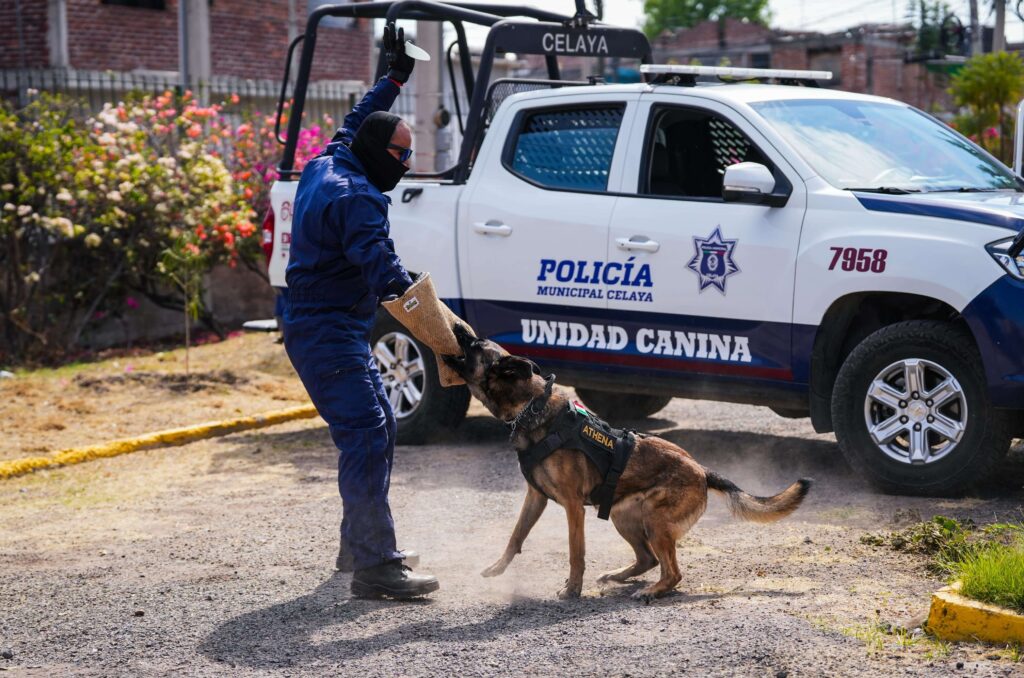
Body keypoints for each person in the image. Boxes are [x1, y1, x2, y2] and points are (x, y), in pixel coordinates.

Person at [282, 23, 439, 600]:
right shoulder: (358, 198)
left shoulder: (332, 159)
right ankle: (376, 567)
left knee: (379, 423)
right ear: (379, 155)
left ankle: (361, 545)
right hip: (325, 329)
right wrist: (447, 334)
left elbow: (358, 118)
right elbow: (386, 276)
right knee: (367, 434)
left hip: (331, 325)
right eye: (402, 155)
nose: (407, 164)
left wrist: (393, 76)